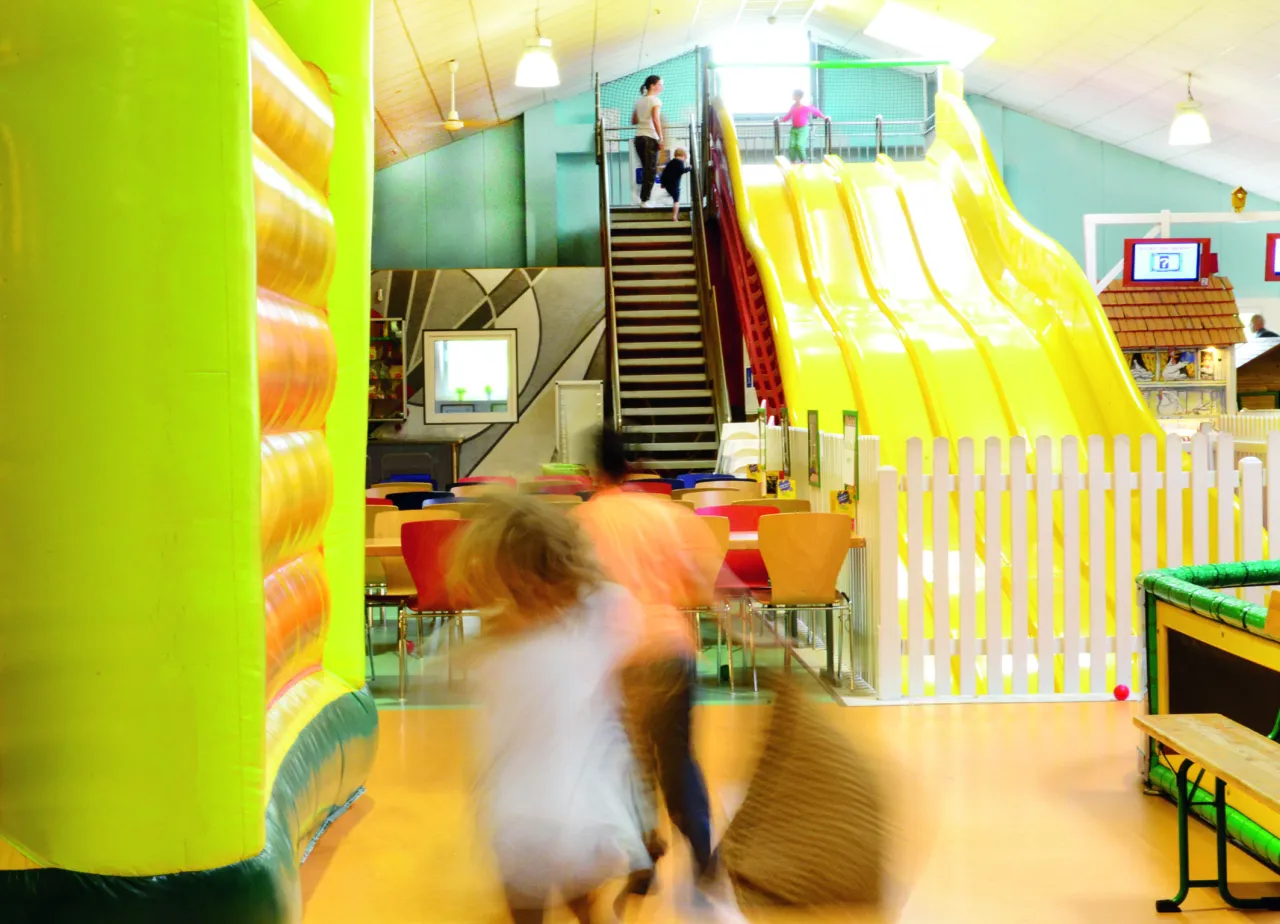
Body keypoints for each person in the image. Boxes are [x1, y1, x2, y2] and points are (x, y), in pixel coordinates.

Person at [449, 496, 652, 924]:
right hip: (581, 820)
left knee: (537, 911)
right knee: (589, 910)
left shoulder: (497, 650)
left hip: (523, 822)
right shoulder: (594, 617)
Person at [573, 428, 722, 899]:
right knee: (677, 758)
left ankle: (642, 861)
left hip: (617, 660)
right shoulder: (664, 515)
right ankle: (701, 849)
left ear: (592, 472)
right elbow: (698, 582)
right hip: (670, 651)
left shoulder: (579, 523)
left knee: (629, 762)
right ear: (632, 468)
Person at [632, 75, 664, 206]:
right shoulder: (655, 101)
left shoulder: (639, 101)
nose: (662, 87)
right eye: (660, 84)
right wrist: (661, 137)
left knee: (646, 169)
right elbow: (656, 119)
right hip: (649, 138)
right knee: (650, 170)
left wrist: (643, 116)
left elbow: (634, 121)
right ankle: (645, 200)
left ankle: (644, 199)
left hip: (638, 138)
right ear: (652, 85)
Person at [779, 89, 824, 164]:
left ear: (798, 97)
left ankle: (803, 161)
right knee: (792, 145)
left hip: (803, 129)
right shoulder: (793, 107)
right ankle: (793, 161)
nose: (792, 96)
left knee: (799, 144)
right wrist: (780, 121)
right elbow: (788, 116)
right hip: (794, 129)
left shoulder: (805, 106)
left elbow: (815, 111)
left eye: (793, 95)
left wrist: (824, 117)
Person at [659, 147, 690, 222]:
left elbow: (664, 173)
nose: (684, 160)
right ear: (683, 156)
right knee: (676, 201)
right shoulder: (680, 162)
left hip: (667, 185)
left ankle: (664, 200)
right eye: (685, 158)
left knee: (671, 195)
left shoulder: (670, 162)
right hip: (675, 185)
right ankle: (675, 216)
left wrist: (662, 183)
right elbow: (681, 170)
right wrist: (689, 168)